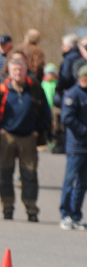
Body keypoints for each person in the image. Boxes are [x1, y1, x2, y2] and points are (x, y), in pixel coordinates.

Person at [0, 56, 52, 222]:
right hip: (7, 136)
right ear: (9, 71)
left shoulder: (34, 89)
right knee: (5, 174)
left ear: (25, 71)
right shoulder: (1, 89)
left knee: (29, 175)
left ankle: (31, 209)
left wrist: (38, 130)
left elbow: (45, 111)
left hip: (28, 137)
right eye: (14, 70)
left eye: (20, 70)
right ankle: (7, 208)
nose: (18, 73)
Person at [58, 64, 87, 230]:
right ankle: (65, 214)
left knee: (83, 184)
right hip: (76, 146)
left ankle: (76, 214)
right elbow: (67, 118)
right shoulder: (72, 94)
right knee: (70, 181)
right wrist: (84, 130)